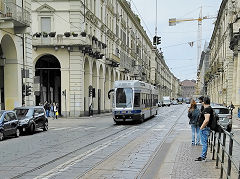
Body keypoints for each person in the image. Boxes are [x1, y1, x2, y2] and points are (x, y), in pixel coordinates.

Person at [195, 96, 213, 161]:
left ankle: (203, 157)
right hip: (205, 128)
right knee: (204, 143)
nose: (201, 102)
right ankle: (203, 156)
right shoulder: (208, 108)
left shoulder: (207, 109)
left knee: (204, 143)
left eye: (202, 101)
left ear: (204, 102)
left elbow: (206, 120)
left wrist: (201, 127)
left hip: (204, 128)